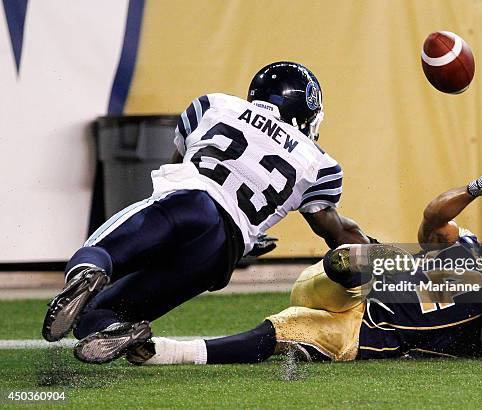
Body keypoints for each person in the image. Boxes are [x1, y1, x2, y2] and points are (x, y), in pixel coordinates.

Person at [41, 61, 371, 364]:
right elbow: (339, 235)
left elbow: (179, 168)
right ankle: (115, 329)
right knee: (111, 311)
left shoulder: (214, 106)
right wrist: (388, 260)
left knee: (101, 252)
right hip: (218, 257)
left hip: (191, 204)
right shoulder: (318, 163)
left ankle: (85, 276)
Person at [124, 165, 482, 365]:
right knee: (364, 261)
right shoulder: (467, 250)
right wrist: (475, 188)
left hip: (366, 335)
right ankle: (351, 261)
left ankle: (164, 351)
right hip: (349, 286)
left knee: (283, 331)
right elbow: (434, 217)